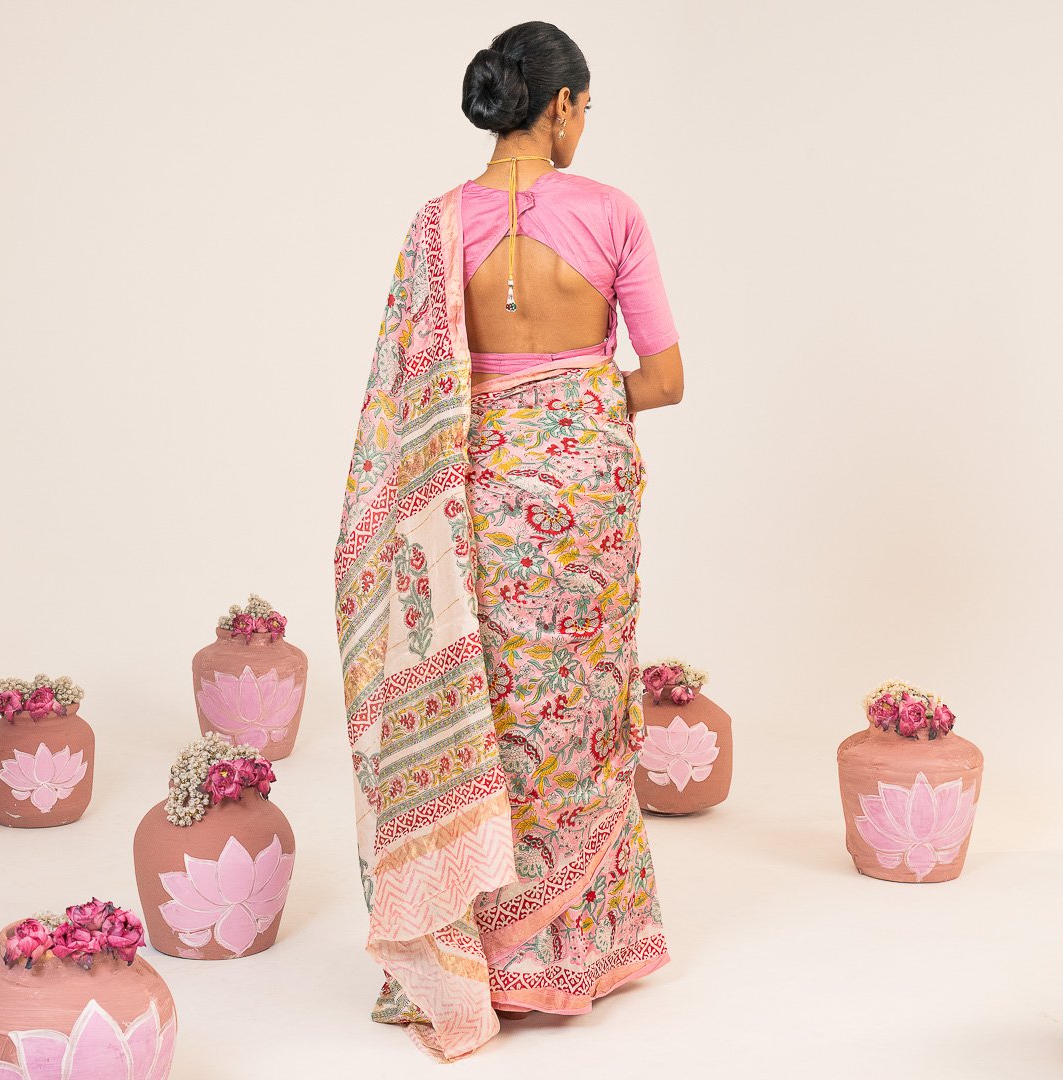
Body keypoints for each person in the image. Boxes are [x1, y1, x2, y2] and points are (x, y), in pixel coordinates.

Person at [333, 20, 683, 1063]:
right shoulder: (612, 212)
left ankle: (475, 943)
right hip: (584, 496)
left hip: (471, 496)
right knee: (577, 700)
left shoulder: (435, 224)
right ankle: (577, 945)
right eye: (586, 108)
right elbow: (664, 380)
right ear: (563, 105)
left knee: (488, 700)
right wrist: (576, 399)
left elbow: (409, 396)